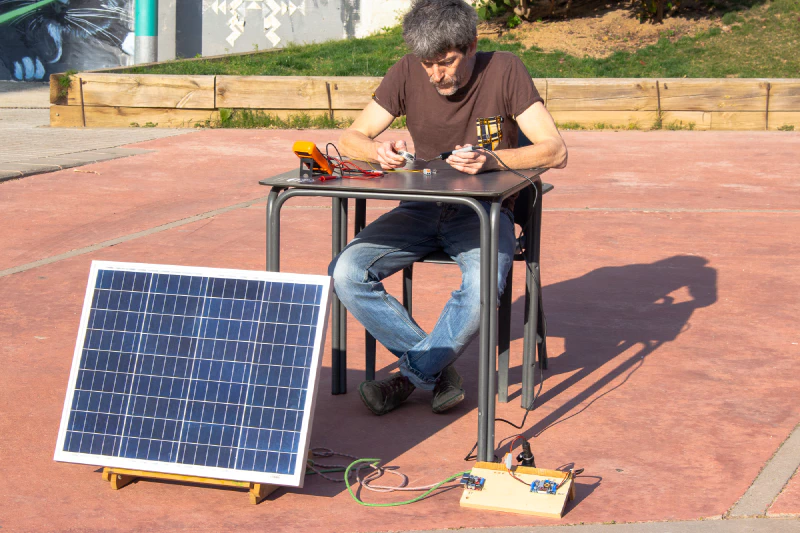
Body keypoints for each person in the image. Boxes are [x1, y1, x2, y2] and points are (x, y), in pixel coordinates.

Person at [329, 0, 567, 416]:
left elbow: (556, 150)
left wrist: (495, 160)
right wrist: (377, 150)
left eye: (445, 62)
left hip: (485, 214)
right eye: (427, 64)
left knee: (480, 289)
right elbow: (351, 138)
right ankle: (436, 373)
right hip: (419, 208)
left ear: (471, 45)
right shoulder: (407, 71)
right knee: (346, 272)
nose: (436, 74)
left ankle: (409, 376)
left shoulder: (506, 69)